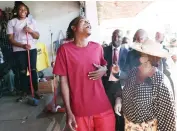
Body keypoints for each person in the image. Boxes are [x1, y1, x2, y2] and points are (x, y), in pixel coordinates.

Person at [53, 16, 115, 131]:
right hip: (80, 111)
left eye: (89, 22)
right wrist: (68, 111)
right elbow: (64, 82)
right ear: (74, 28)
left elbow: (105, 66)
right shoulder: (64, 50)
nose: (88, 23)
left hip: (103, 107)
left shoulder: (97, 47)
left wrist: (104, 69)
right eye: (83, 21)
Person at [114, 39, 176, 131]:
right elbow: (124, 91)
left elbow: (168, 118)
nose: (139, 54)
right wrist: (118, 100)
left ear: (150, 57)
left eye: (142, 53)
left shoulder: (160, 80)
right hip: (129, 126)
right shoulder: (134, 72)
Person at [7, 3, 41, 101]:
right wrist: (22, 45)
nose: (23, 11)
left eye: (25, 9)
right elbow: (10, 39)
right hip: (19, 50)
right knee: (22, 71)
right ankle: (24, 92)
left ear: (27, 11)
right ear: (16, 11)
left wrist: (30, 31)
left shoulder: (31, 21)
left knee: (33, 70)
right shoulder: (12, 22)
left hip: (31, 48)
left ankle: (36, 90)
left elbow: (37, 36)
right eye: (20, 9)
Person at [103, 29, 128, 131]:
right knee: (109, 114)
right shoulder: (103, 51)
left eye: (118, 36)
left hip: (121, 87)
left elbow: (130, 72)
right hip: (107, 88)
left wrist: (119, 73)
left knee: (121, 115)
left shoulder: (128, 52)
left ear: (122, 39)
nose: (116, 38)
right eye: (114, 36)